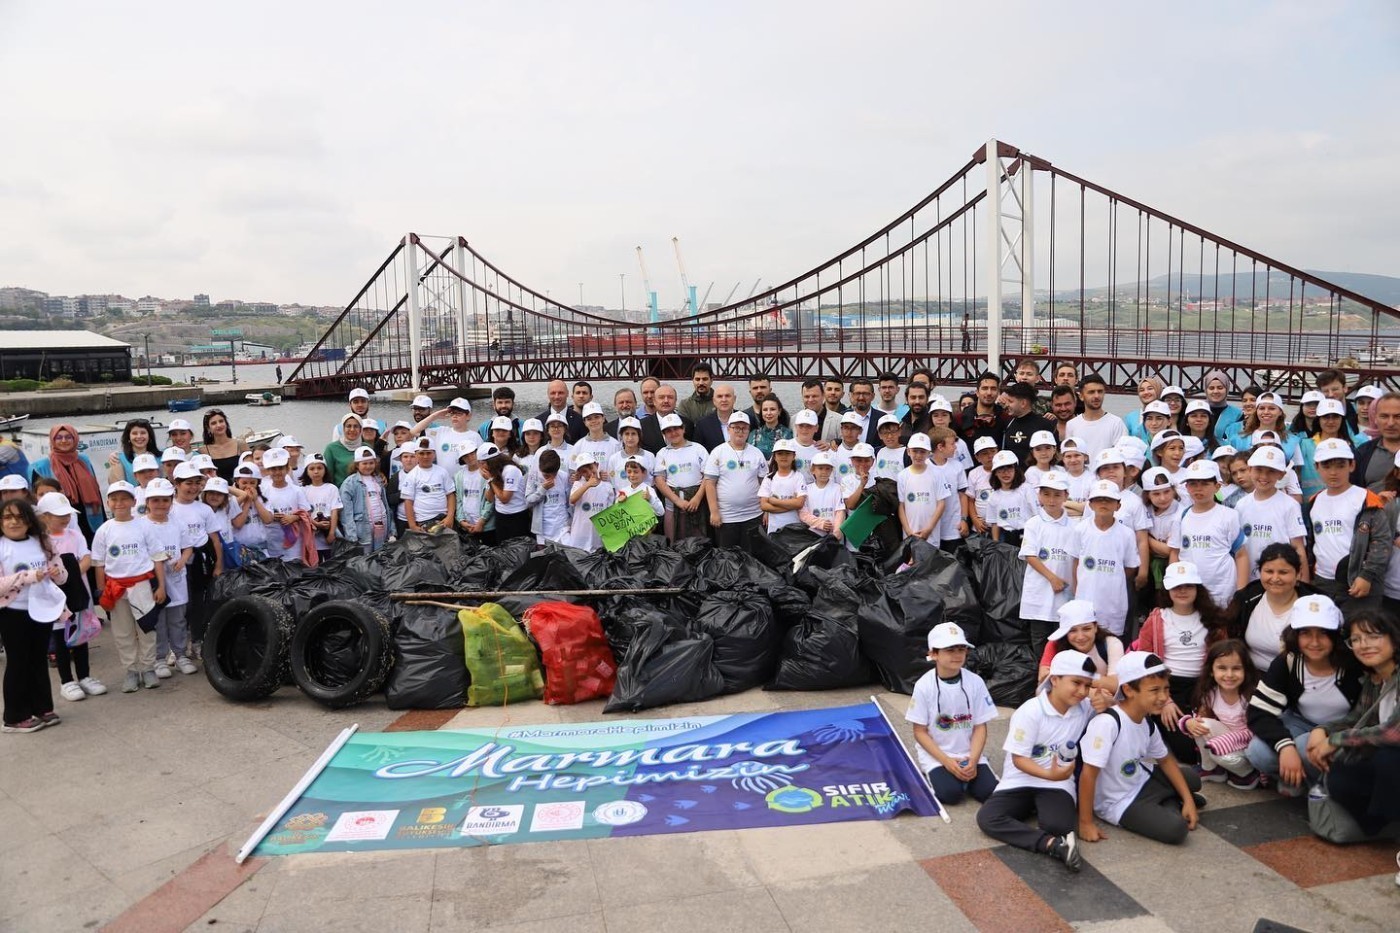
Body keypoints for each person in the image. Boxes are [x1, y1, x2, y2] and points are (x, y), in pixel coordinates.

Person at [975, 648, 1096, 872]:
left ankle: (1045, 824)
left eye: (1088, 686)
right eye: (1076, 683)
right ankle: (1051, 845)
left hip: (1058, 784)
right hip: (1021, 779)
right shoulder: (1030, 711)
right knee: (988, 818)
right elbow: (1019, 759)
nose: (1082, 691)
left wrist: (1104, 700)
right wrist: (1050, 774)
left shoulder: (1085, 708)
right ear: (1056, 679)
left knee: (1058, 825)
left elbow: (1116, 694)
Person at [1078, 651, 1202, 847]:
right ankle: (1167, 802)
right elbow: (1088, 775)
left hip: (1142, 779)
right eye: (1154, 690)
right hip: (1119, 801)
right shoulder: (1108, 724)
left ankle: (1171, 801)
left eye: (1166, 689)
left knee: (1193, 780)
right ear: (1128, 690)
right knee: (1176, 830)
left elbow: (1166, 760)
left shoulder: (1146, 720)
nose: (1163, 697)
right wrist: (1085, 823)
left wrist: (1188, 801)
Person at [1246, 594, 1360, 794]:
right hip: (1301, 721)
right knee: (1258, 752)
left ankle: (1327, 791)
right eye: (1306, 633)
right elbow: (1258, 712)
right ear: (1295, 635)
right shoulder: (1288, 662)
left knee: (1303, 748)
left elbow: (1366, 714)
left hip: (1343, 726)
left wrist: (1325, 732)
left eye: (1323, 633)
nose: (1314, 642)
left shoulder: (1354, 664)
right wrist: (1284, 747)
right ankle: (1301, 779)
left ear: (1336, 634)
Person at [1304, 609, 1400, 839]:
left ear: (1394, 638)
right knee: (1340, 774)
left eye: (1373, 636)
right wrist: (1322, 730)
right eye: (1356, 639)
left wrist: (1336, 740)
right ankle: (1383, 825)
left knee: (1387, 760)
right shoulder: (1375, 678)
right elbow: (1356, 719)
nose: (1363, 645)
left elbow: (1395, 733)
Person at [1135, 561, 1232, 764]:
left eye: (1188, 585)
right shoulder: (1156, 619)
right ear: (1168, 589)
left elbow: (1222, 658)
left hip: (1204, 685)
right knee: (1186, 751)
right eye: (1177, 586)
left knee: (1205, 734)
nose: (1182, 591)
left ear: (1197, 588)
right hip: (1168, 685)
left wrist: (1208, 697)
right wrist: (1165, 699)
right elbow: (1144, 660)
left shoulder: (1212, 619)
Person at [906, 622, 999, 805]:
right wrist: (946, 761)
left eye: (961, 649)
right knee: (950, 794)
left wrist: (973, 759)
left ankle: (970, 771)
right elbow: (919, 732)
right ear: (933, 653)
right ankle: (941, 774)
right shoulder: (924, 686)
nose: (957, 655)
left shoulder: (976, 682)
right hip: (937, 755)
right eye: (949, 649)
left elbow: (980, 726)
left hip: (969, 752)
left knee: (989, 793)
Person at [0, 498, 69, 732]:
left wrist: (56, 572)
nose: (13, 522)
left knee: (38, 659)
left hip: (41, 611)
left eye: (20, 517)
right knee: (18, 662)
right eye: (7, 517)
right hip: (12, 613)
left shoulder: (42, 542)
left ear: (30, 521)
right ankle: (14, 716)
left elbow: (62, 576)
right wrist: (29, 577)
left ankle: (42, 708)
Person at [90, 482, 167, 693]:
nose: (120, 503)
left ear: (134, 501)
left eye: (125, 498)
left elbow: (158, 558)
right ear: (108, 502)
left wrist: (161, 586)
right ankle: (131, 670)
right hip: (115, 588)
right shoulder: (104, 530)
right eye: (114, 499)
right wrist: (101, 591)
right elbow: (99, 564)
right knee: (122, 632)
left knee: (146, 628)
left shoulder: (144, 526)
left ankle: (148, 667)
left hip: (142, 584)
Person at [35, 493, 104, 702]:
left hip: (77, 591)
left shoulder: (74, 535)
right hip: (55, 596)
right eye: (59, 515)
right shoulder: (39, 541)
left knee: (81, 634)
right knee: (61, 639)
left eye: (67, 514)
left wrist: (73, 574)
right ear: (45, 516)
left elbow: (86, 557)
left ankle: (85, 676)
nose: (65, 518)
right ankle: (67, 681)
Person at [1310, 438, 1392, 612]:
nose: (1333, 472)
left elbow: (1382, 542)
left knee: (1360, 633)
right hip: (1322, 582)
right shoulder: (1314, 501)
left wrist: (1366, 576)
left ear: (1352, 465)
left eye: (1340, 465)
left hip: (1358, 582)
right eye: (1326, 466)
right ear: (1317, 467)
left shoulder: (1366, 499)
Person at [1167, 460, 1249, 611]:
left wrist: (1241, 593)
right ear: (1186, 487)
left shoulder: (1229, 515)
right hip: (1191, 593)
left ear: (1217, 486)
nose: (1198, 489)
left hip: (1223, 592)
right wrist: (1175, 583)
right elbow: (1175, 553)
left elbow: (1241, 555)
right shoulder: (1181, 517)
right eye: (1193, 484)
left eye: (1204, 483)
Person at [1071, 480, 1142, 638]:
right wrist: (1078, 590)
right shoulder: (1080, 529)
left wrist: (1113, 578)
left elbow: (1130, 567)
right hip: (1086, 599)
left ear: (1118, 505)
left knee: (1112, 645)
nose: (1103, 503)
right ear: (1090, 504)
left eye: (1109, 499)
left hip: (1114, 601)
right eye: (1098, 499)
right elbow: (1076, 562)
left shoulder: (1126, 534)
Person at [139, 478, 192, 680]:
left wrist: (183, 560)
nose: (160, 505)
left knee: (178, 619)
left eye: (165, 500)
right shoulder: (142, 526)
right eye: (155, 500)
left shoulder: (178, 523)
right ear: (147, 502)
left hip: (177, 577)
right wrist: (158, 560)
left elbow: (187, 547)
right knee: (159, 621)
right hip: (154, 581)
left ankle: (180, 655)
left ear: (171, 501)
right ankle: (159, 658)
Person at [1020, 471, 1076, 659]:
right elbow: (1029, 554)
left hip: (1065, 593)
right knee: (1040, 640)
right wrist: (1052, 578)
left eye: (1057, 494)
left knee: (1063, 640)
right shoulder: (1033, 524)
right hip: (1040, 593)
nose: (1051, 500)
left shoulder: (1075, 526)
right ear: (1039, 495)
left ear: (1066, 496)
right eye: (1046, 494)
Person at [1037, 600, 1123, 711]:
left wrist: (1073, 680)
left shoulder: (1112, 643)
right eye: (1072, 631)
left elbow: (1116, 684)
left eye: (1086, 629)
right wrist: (1092, 691)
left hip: (1103, 704)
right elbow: (1044, 679)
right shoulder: (1055, 644)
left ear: (1095, 627)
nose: (1080, 637)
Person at [703, 412, 768, 548]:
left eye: (744, 428)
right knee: (727, 558)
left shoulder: (757, 453)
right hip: (727, 517)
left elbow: (765, 484)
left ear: (749, 431)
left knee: (753, 557)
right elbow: (709, 484)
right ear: (728, 429)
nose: (740, 431)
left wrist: (766, 511)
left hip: (754, 516)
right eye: (736, 428)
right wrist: (714, 512)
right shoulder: (718, 452)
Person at [30, 424, 105, 540]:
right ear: (52, 440)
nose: (64, 441)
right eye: (59, 438)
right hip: (60, 519)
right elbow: (38, 498)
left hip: (88, 517)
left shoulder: (83, 460)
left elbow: (96, 491)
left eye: (68, 437)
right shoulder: (41, 466)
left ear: (75, 439)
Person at [653, 414, 709, 542]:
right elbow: (660, 480)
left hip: (697, 504)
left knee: (699, 542)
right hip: (673, 506)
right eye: (668, 431)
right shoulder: (662, 453)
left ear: (683, 429)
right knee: (673, 541)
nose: (673, 433)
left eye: (676, 428)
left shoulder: (698, 449)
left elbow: (708, 476)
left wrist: (697, 498)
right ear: (664, 434)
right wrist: (677, 501)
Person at [896, 434, 947, 543]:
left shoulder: (937, 474)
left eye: (922, 451)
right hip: (910, 535)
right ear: (908, 451)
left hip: (931, 536)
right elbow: (901, 506)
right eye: (915, 451)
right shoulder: (902, 476)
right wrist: (908, 531)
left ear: (929, 453)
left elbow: (941, 503)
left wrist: (929, 529)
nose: (918, 455)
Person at [1066, 373, 1126, 461]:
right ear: (1081, 396)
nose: (1096, 396)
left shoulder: (1116, 423)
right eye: (1091, 392)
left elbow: (1122, 456)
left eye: (1100, 391)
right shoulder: (1072, 425)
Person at [1351, 393, 1400, 489]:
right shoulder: (1362, 452)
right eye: (1384, 416)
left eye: (1398, 417)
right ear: (1375, 419)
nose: (1390, 423)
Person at [565, 453, 613, 551]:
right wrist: (587, 485)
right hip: (580, 537)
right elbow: (572, 500)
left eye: (591, 468)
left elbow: (610, 511)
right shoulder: (578, 485)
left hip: (598, 537)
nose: (589, 473)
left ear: (597, 465)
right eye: (584, 471)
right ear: (580, 473)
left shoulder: (607, 487)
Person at [986, 450, 1034, 546]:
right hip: (1005, 538)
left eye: (1009, 468)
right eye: (1001, 469)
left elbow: (1035, 514)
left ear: (1015, 470)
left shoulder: (1026, 489)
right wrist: (995, 544)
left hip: (1026, 535)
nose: (1005, 473)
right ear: (995, 472)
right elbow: (994, 523)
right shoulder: (994, 497)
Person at [999, 382, 1054, 465]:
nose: (1007, 405)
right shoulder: (1007, 423)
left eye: (1010, 401)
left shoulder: (1044, 425)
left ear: (1023, 403)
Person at [759, 440, 806, 535]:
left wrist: (774, 501)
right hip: (774, 530)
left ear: (793, 456)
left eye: (787, 453)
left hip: (795, 530)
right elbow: (764, 505)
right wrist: (791, 505)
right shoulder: (769, 478)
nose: (784, 457)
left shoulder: (798, 477)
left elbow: (799, 503)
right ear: (775, 457)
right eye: (780, 454)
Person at [482, 444, 528, 541]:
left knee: (518, 550)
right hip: (501, 515)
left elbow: (505, 499)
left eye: (482, 463)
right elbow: (489, 498)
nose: (481, 467)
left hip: (516, 515)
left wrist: (491, 480)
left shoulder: (510, 470)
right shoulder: (493, 472)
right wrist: (490, 481)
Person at [301, 456, 342, 561]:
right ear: (306, 471)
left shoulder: (331, 488)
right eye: (312, 469)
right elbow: (303, 514)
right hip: (312, 538)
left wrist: (332, 532)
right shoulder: (303, 490)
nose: (316, 472)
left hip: (328, 535)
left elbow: (334, 511)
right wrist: (315, 524)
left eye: (319, 468)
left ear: (325, 470)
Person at [525, 448, 569, 546]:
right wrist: (542, 489)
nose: (551, 478)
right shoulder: (533, 477)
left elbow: (569, 501)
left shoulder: (564, 476)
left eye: (554, 475)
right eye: (546, 475)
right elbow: (527, 502)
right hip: (542, 530)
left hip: (562, 527)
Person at [953, 371, 1007, 447]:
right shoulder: (959, 419)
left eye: (993, 389)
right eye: (985, 388)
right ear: (977, 392)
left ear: (998, 392)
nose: (989, 393)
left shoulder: (1006, 419)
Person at [454, 444, 494, 546]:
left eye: (472, 453)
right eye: (466, 455)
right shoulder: (459, 476)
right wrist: (461, 520)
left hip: (486, 526)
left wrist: (482, 521)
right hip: (468, 525)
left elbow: (490, 500)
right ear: (462, 458)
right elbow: (459, 499)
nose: (470, 457)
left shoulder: (486, 472)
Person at [799, 453, 845, 539]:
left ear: (831, 470)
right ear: (812, 470)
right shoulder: (807, 489)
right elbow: (803, 514)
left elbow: (840, 512)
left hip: (832, 538)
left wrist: (836, 535)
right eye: (820, 468)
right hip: (812, 536)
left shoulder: (837, 488)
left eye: (827, 469)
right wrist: (820, 523)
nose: (824, 472)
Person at [640, 384, 695, 454]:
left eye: (670, 397)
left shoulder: (687, 424)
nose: (666, 401)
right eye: (661, 397)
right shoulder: (642, 425)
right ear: (654, 401)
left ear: (675, 401)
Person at [107, 419, 162, 485]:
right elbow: (118, 489)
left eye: (143, 433)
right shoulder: (118, 459)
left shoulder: (161, 457)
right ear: (128, 437)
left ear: (149, 435)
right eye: (134, 433)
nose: (139, 436)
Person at [200, 409, 247, 482]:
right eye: (213, 423)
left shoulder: (240, 445)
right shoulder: (203, 450)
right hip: (217, 491)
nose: (218, 425)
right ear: (208, 428)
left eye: (221, 421)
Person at [537, 379, 585, 444]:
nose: (557, 396)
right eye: (553, 393)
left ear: (567, 393)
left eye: (560, 393)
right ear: (548, 395)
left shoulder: (580, 421)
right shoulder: (538, 421)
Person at [694, 383, 739, 451]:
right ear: (714, 401)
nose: (724, 400)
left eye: (727, 396)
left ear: (734, 399)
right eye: (720, 396)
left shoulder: (746, 420)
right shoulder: (702, 425)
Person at [323, 413, 365, 487]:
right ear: (343, 429)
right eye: (348, 426)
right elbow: (327, 477)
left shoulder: (366, 448)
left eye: (356, 426)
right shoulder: (331, 449)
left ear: (361, 429)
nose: (352, 429)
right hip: (340, 493)